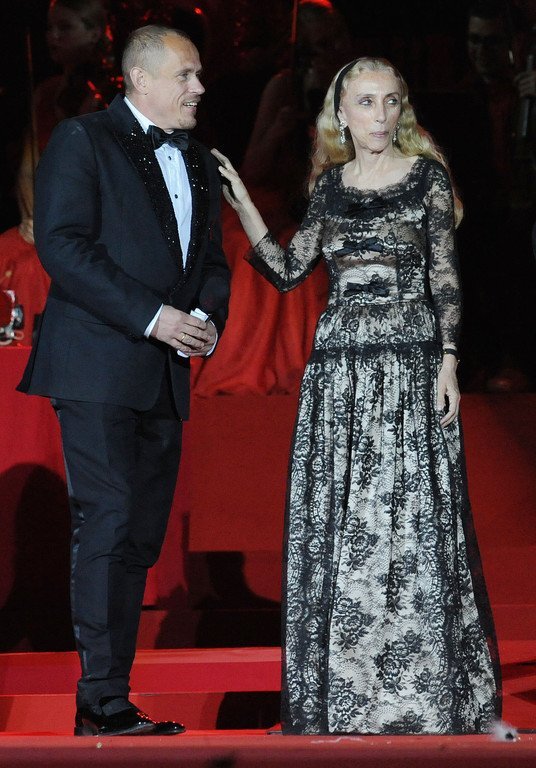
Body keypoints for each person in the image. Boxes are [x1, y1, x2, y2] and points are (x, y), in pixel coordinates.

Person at [213, 56, 501, 734]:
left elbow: (444, 274)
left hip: (408, 360)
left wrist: (449, 360)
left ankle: (419, 695)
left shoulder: (425, 178)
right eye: (366, 102)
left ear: (403, 109)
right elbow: (289, 271)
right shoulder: (331, 187)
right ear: (340, 113)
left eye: (390, 101)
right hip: (339, 370)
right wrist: (247, 207)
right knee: (346, 517)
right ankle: (350, 692)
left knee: (411, 516)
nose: (380, 115)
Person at [17, 24, 230, 737]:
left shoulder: (196, 157)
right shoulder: (84, 139)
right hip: (98, 365)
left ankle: (112, 696)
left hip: (164, 372)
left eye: (198, 75)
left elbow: (212, 261)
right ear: (140, 79)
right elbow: (62, 245)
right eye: (186, 75)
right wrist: (153, 317)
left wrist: (205, 319)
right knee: (107, 521)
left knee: (139, 534)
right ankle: (101, 701)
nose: (199, 88)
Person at [0, 0, 116, 340]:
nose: (52, 36)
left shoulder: (107, 93)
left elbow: (96, 175)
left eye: (65, 28)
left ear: (94, 33)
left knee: (33, 266)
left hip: (88, 223)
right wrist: (32, 217)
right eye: (50, 28)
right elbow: (29, 167)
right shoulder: (47, 91)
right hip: (47, 219)